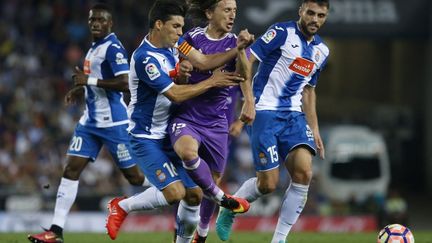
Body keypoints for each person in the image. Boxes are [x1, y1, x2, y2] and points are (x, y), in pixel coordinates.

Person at [104, 1, 253, 242]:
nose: (180, 32)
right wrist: (211, 82)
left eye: (182, 27)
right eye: (175, 26)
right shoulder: (145, 58)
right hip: (146, 137)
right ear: (159, 25)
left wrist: (185, 74)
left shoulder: (175, 46)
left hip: (167, 130)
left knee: (193, 195)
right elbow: (175, 94)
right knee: (175, 193)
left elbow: (199, 66)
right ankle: (122, 206)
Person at [27, 3, 146, 243]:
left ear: (110, 23)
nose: (96, 24)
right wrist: (80, 90)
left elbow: (125, 83)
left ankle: (174, 187)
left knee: (134, 178)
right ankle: (55, 231)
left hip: (114, 123)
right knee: (71, 169)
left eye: (101, 20)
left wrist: (88, 81)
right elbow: (98, 82)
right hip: (89, 122)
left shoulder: (113, 48)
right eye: (93, 20)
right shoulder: (94, 48)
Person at [216, 0, 330, 242]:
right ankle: (229, 206)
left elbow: (309, 90)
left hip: (294, 115)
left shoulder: (322, 51)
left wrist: (315, 128)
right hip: (264, 111)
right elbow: (246, 59)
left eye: (321, 15)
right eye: (310, 13)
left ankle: (279, 239)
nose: (315, 19)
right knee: (268, 184)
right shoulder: (280, 32)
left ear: (325, 17)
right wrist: (248, 100)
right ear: (301, 11)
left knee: (304, 172)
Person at [168, 0, 255, 242]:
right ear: (209, 13)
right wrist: (183, 71)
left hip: (217, 123)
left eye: (235, 11)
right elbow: (199, 63)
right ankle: (222, 200)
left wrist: (240, 50)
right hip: (187, 115)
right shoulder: (190, 38)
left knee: (208, 185)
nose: (232, 15)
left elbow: (244, 75)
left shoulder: (236, 41)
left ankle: (202, 234)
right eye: (226, 10)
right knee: (187, 153)